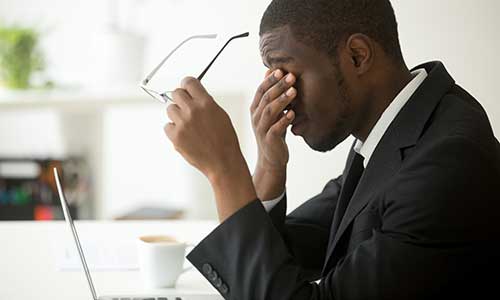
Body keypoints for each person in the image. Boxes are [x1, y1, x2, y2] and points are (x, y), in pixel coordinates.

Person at [163, 0, 500, 299]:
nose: (283, 97)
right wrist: (268, 166)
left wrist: (224, 170)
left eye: (289, 73)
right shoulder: (398, 131)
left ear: (357, 55)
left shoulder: (448, 164)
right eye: (274, 77)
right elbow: (286, 258)